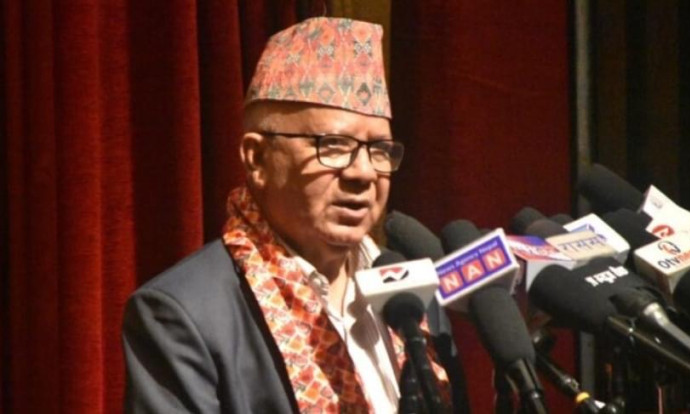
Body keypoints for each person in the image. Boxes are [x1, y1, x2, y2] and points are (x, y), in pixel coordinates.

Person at [122, 17, 459, 413]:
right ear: (257, 159)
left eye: (380, 150)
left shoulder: (411, 296)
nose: (364, 173)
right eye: (333, 145)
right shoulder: (185, 314)